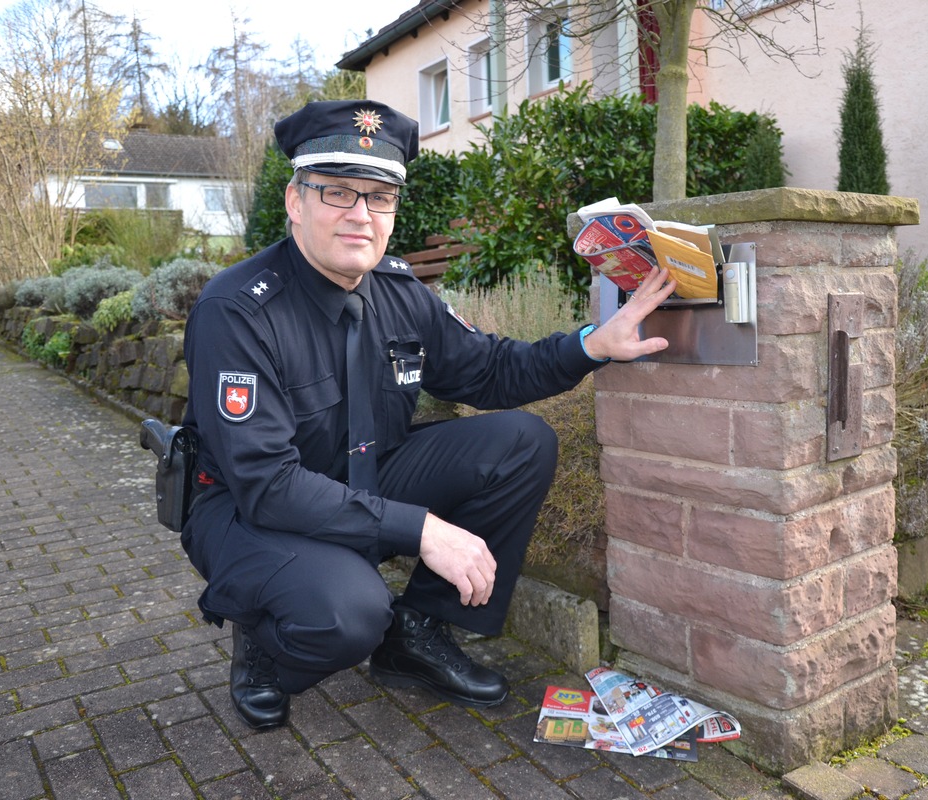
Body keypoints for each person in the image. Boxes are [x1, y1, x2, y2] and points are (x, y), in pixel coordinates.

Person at [180, 99, 675, 730]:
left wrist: (590, 344)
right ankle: (265, 645)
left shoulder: (398, 292)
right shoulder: (239, 309)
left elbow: (489, 371)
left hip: (360, 476)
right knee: (348, 614)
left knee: (520, 442)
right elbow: (268, 486)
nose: (360, 214)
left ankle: (416, 634)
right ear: (294, 200)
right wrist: (423, 531)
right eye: (337, 192)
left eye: (379, 197)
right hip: (250, 511)